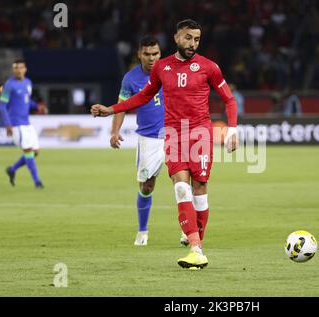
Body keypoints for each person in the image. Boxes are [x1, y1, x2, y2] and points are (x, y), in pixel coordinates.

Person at [91, 19, 238, 269]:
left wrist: (232, 130)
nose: (193, 43)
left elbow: (229, 100)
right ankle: (195, 247)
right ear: (177, 38)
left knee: (200, 191)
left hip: (200, 134)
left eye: (197, 39)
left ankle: (197, 243)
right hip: (174, 135)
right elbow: (143, 96)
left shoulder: (209, 67)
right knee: (181, 189)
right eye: (188, 38)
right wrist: (110, 110)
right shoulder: (162, 67)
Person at [110, 35, 165, 246]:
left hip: (176, 133)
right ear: (139, 54)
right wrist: (115, 131)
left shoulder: (171, 71)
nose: (152, 58)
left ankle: (188, 233)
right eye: (147, 54)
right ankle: (143, 231)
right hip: (149, 138)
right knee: (147, 186)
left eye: (156, 54)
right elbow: (122, 106)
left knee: (183, 181)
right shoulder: (130, 79)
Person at [0, 59, 46, 188]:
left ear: (25, 69)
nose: (18, 70)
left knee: (35, 152)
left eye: (20, 67)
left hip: (27, 124)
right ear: (13, 70)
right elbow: (2, 106)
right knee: (28, 151)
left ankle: (12, 169)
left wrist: (37, 106)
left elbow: (26, 100)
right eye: (16, 68)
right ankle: (37, 181)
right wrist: (7, 124)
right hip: (16, 125)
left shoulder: (28, 83)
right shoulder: (9, 85)